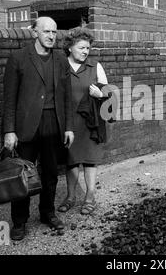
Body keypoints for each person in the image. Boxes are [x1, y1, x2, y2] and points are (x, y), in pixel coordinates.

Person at [2, 17, 74, 241]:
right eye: (46, 32)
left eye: (54, 32)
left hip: (54, 123)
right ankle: (19, 222)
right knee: (22, 176)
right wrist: (9, 130)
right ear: (34, 33)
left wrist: (69, 127)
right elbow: (9, 98)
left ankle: (47, 213)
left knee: (50, 173)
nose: (51, 36)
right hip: (26, 126)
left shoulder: (61, 59)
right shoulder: (18, 58)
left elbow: (67, 96)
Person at [57, 28, 109, 215]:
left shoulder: (95, 67)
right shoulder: (60, 67)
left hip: (90, 122)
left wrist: (101, 94)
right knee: (70, 161)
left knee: (89, 161)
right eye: (81, 47)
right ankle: (70, 197)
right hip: (68, 123)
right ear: (70, 47)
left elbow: (110, 95)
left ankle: (90, 197)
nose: (86, 51)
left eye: (88, 48)